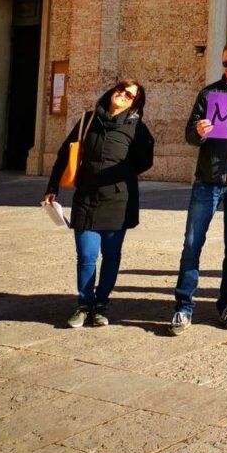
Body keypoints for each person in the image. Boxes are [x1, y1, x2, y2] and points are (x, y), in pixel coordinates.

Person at [169, 41, 227, 335]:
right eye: (226, 63)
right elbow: (189, 134)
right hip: (207, 181)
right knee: (191, 244)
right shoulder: (208, 93)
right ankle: (183, 306)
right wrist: (198, 132)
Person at [44, 80, 153, 327]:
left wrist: (121, 173)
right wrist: (52, 187)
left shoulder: (136, 127)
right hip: (86, 197)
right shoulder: (89, 120)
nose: (123, 95)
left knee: (111, 255)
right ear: (112, 91)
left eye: (130, 95)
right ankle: (84, 304)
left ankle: (101, 304)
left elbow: (146, 160)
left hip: (118, 200)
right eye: (120, 90)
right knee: (86, 255)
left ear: (135, 102)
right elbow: (65, 153)